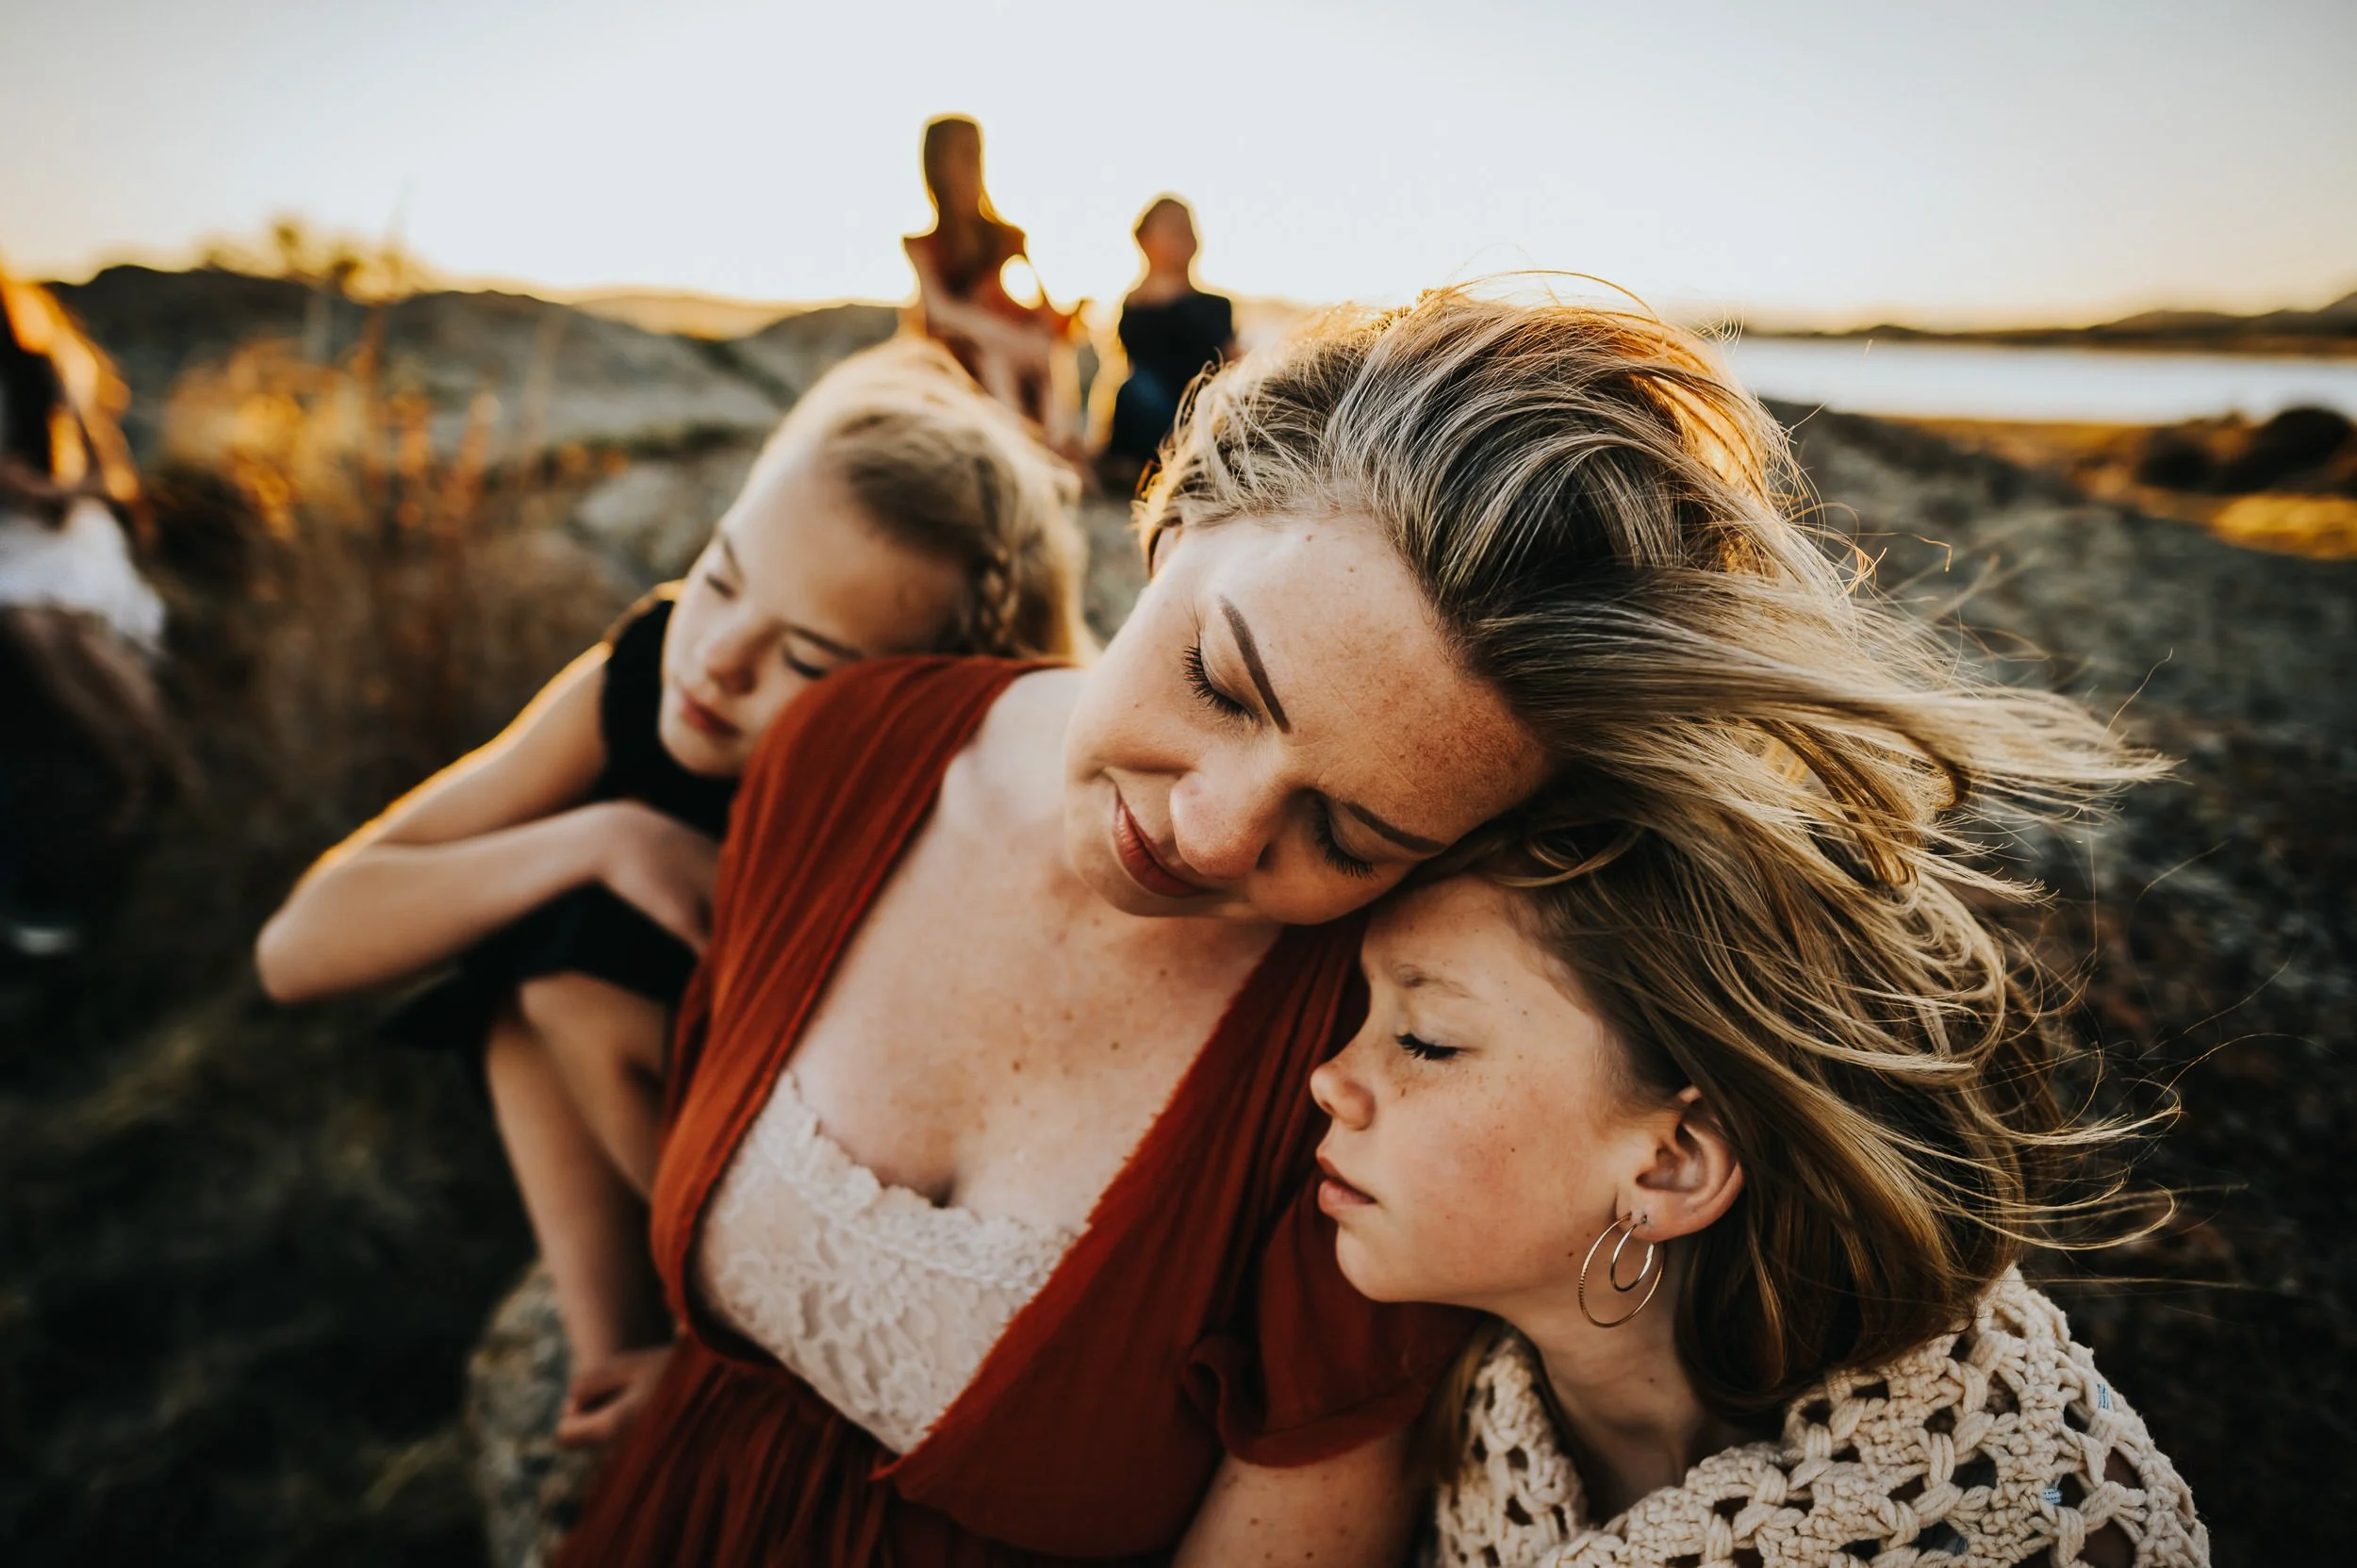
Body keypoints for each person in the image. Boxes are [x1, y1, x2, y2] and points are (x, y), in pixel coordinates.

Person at [551, 288, 2137, 1567]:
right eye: (1220, 680)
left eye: (1350, 828)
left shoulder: (1372, 1059)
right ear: (1174, 519)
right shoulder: (850, 748)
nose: (1214, 829)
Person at [255, 338, 1091, 1445]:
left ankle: (728, 1356)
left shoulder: (943, 827)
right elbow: (299, 949)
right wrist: (600, 837)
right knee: (536, 972)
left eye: (806, 657)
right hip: (666, 1170)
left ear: (917, 701)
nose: (717, 658)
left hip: (828, 1214)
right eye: (720, 573)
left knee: (567, 982)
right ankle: (615, 1357)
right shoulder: (652, 668)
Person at [1308, 688, 2207, 1553]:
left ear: (1673, 1165)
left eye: (1426, 1041)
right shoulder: (1451, 1426)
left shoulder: (2031, 1515)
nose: (1329, 1079)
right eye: (1365, 1011)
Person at [0, 265, 177, 960]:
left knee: (36, 633)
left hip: (57, 545)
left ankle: (140, 768)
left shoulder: (40, 371)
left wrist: (48, 490)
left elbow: (114, 479)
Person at [902, 114, 1084, 456]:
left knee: (1037, 349)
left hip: (1013, 353)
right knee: (995, 352)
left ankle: (1052, 444)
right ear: (936, 167)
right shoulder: (924, 245)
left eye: (975, 154)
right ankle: (1019, 449)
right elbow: (938, 312)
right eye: (960, 156)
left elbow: (1039, 303)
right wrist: (994, 331)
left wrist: (1053, 320)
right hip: (958, 354)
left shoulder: (1005, 237)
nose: (969, 167)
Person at [1101, 196, 1236, 487]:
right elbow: (1140, 348)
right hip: (1154, 411)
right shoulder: (1136, 305)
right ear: (1146, 242)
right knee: (1138, 388)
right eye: (1172, 230)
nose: (1184, 238)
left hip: (1203, 406)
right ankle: (1169, 462)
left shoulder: (1217, 305)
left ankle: (1191, 458)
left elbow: (1224, 355)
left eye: (1188, 229)